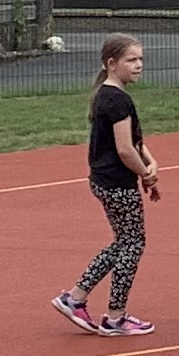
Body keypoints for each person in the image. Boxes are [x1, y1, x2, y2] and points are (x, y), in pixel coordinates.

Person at [55, 35, 161, 337]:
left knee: (124, 243)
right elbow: (126, 149)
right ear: (111, 63)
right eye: (131, 60)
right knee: (132, 244)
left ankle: (75, 297)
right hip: (116, 183)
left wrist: (149, 162)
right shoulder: (117, 99)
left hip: (106, 180)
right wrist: (146, 175)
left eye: (140, 59)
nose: (138, 65)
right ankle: (114, 315)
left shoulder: (109, 94)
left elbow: (136, 142)